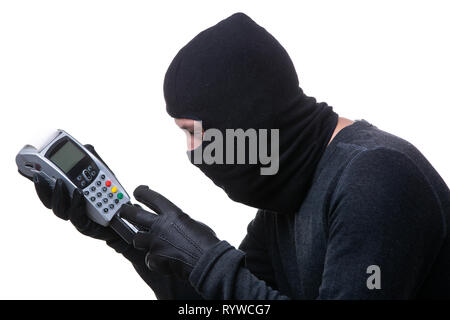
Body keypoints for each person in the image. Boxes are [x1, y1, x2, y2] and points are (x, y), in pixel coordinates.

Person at [33, 13, 450, 299]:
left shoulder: (376, 177)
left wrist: (208, 259)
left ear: (241, 119)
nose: (192, 153)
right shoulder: (287, 199)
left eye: (193, 132)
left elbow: (227, 284)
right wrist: (129, 239)